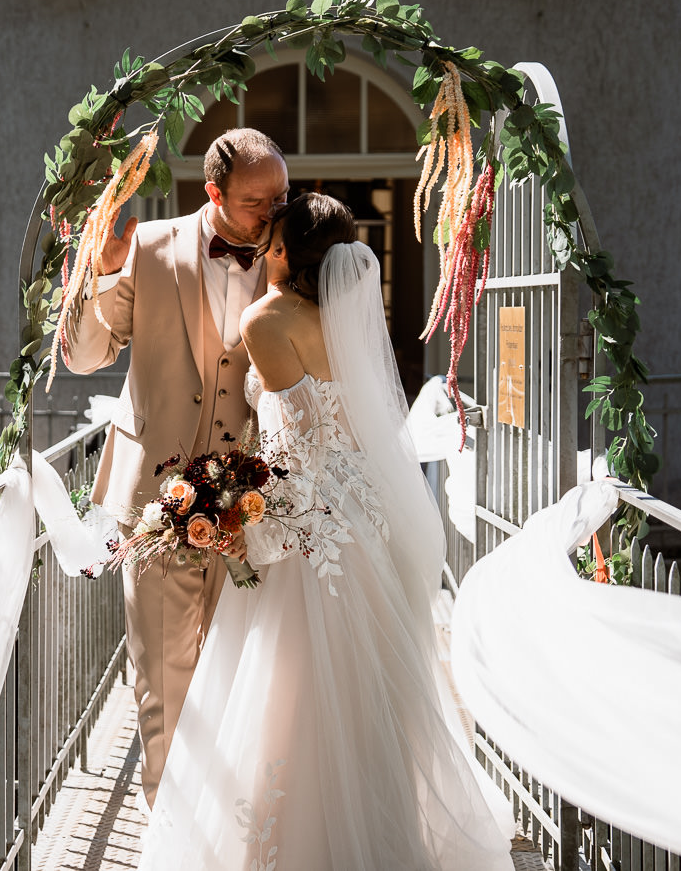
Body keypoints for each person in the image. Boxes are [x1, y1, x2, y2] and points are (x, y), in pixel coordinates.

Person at [137, 194, 512, 869]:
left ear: (285, 251)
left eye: (271, 240)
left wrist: (251, 526)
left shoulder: (265, 321)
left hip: (308, 525)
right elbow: (349, 435)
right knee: (363, 687)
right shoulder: (344, 320)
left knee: (290, 682)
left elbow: (300, 447)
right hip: (364, 521)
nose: (263, 249)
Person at [62, 127, 289, 806]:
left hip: (254, 504)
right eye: (255, 201)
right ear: (213, 192)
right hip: (155, 503)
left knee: (244, 675)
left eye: (280, 197)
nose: (271, 212)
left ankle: (233, 821)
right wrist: (105, 272)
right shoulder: (150, 246)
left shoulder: (291, 255)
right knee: (163, 676)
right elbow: (84, 355)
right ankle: (167, 826)